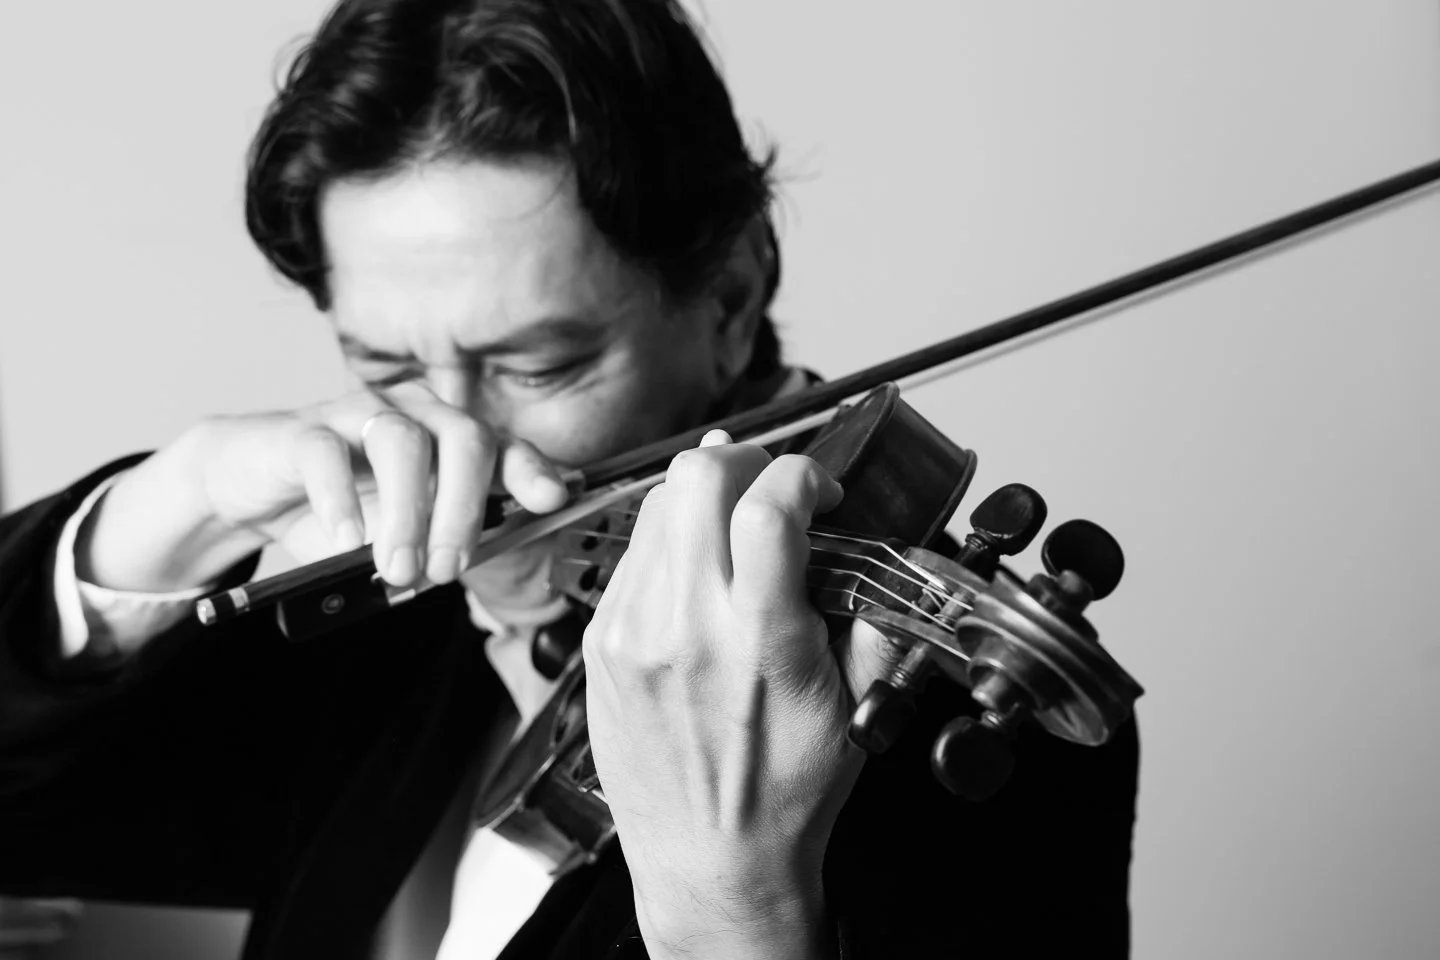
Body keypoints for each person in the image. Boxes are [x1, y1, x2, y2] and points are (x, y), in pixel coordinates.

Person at [0, 1, 1140, 958]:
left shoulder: (940, 716)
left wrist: (734, 907)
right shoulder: (373, 601)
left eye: (540, 365)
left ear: (730, 298)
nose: (461, 437)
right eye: (385, 367)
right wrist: (171, 505)